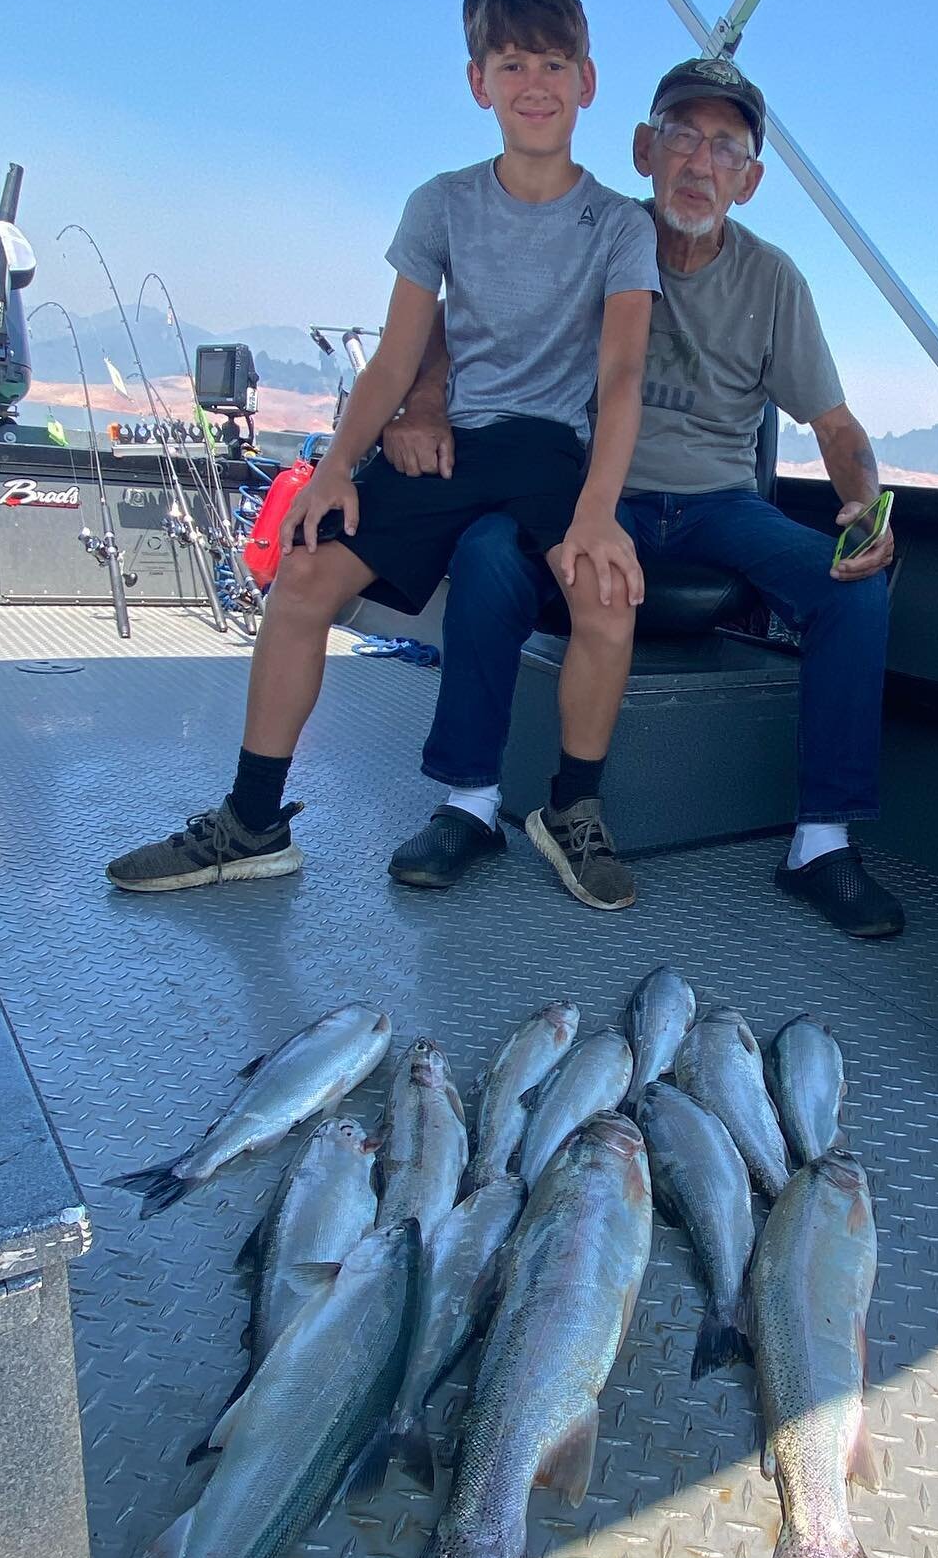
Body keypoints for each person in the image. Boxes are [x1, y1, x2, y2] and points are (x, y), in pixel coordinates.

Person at [104, 0, 658, 897]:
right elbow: (398, 358)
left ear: (588, 83)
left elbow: (622, 371)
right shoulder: (440, 203)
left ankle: (572, 808)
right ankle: (252, 822)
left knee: (606, 593)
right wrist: (336, 466)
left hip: (551, 454)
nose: (535, 85)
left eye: (554, 65)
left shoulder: (616, 225)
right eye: (512, 64)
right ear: (479, 81)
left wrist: (598, 512)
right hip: (459, 445)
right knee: (307, 569)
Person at [385, 56, 903, 937]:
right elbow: (448, 314)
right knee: (485, 556)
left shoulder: (775, 281)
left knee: (851, 585)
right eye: (681, 136)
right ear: (640, 149)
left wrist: (866, 506)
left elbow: (839, 428)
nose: (699, 163)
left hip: (718, 507)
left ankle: (819, 841)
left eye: (725, 148)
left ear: (751, 179)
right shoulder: (588, 230)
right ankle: (470, 804)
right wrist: (424, 400)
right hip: (591, 492)